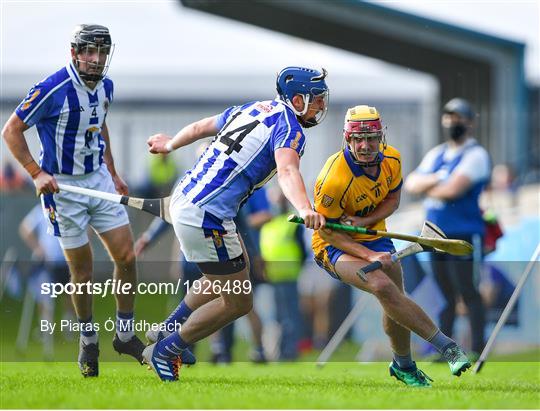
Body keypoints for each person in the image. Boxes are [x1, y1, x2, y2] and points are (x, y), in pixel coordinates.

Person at [141, 66, 329, 381]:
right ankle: (167, 349)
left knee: (225, 277)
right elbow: (287, 171)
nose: (321, 106)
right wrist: (304, 206)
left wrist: (171, 144)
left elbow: (202, 126)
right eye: (317, 100)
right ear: (297, 99)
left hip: (188, 201)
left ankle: (167, 329)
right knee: (239, 301)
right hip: (207, 214)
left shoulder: (251, 108)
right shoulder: (290, 129)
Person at [1, 24, 145, 377]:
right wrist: (36, 173)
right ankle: (88, 339)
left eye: (102, 53)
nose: (96, 60)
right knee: (81, 273)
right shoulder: (53, 89)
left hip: (97, 180)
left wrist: (112, 171)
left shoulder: (106, 87)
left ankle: (124, 333)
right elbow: (11, 130)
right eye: (89, 52)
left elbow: (99, 124)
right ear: (75, 53)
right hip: (63, 190)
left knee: (126, 257)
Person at [312, 105, 471, 388]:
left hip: (374, 235)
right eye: (357, 139)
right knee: (382, 286)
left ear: (380, 136)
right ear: (347, 139)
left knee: (395, 299)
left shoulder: (393, 159)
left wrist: (365, 222)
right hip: (334, 246)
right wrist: (368, 254)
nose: (365, 146)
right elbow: (329, 232)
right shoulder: (333, 179)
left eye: (371, 138)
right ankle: (448, 347)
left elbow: (391, 201)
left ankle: (403, 366)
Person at [404, 98, 490, 358]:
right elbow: (411, 183)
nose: (453, 122)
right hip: (433, 233)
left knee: (467, 290)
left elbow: (453, 190)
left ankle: (476, 348)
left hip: (461, 234)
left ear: (470, 122)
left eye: (459, 117)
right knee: (445, 293)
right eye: (449, 117)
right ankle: (447, 351)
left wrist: (430, 186)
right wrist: (438, 181)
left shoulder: (476, 155)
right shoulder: (438, 153)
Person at [260, 188, 307, 360]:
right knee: (278, 317)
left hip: (289, 276)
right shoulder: (268, 225)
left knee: (289, 316)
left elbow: (302, 249)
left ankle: (289, 351)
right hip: (273, 277)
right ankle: (281, 351)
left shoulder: (292, 223)